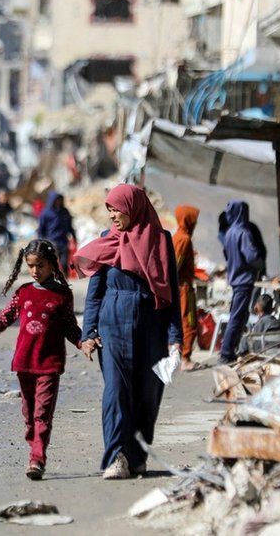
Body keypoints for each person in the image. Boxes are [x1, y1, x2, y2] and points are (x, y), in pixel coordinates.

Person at [76, 184, 182, 480]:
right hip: (113, 326)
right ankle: (116, 457)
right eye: (108, 208)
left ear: (133, 208)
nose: (111, 214)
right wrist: (88, 333)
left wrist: (176, 339)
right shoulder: (107, 241)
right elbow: (95, 293)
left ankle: (137, 456)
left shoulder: (161, 241)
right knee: (116, 392)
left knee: (149, 393)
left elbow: (172, 294)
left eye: (116, 208)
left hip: (153, 327)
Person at [0, 239, 83, 481]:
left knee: (42, 414)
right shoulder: (23, 292)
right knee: (28, 415)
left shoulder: (62, 294)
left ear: (52, 265)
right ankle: (33, 443)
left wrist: (83, 342)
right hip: (24, 363)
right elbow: (5, 316)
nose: (35, 271)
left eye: (41, 266)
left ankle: (37, 459)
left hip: (49, 364)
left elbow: (69, 326)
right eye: (31, 266)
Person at [219, 200, 265, 363]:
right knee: (236, 317)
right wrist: (260, 263)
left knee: (239, 315)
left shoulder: (230, 232)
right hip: (244, 280)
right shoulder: (244, 233)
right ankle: (226, 353)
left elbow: (226, 255)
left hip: (235, 278)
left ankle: (230, 349)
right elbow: (251, 256)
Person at [173, 205, 200, 371]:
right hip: (183, 288)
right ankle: (185, 359)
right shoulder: (184, 239)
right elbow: (176, 265)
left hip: (180, 286)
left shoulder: (176, 236)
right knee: (189, 321)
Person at [38, 192, 75, 272]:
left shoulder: (65, 212)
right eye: (57, 200)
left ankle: (65, 280)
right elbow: (41, 228)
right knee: (51, 262)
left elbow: (69, 226)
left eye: (60, 200)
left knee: (64, 263)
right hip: (51, 240)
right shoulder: (46, 212)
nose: (58, 202)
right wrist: (41, 241)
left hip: (63, 241)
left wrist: (74, 237)